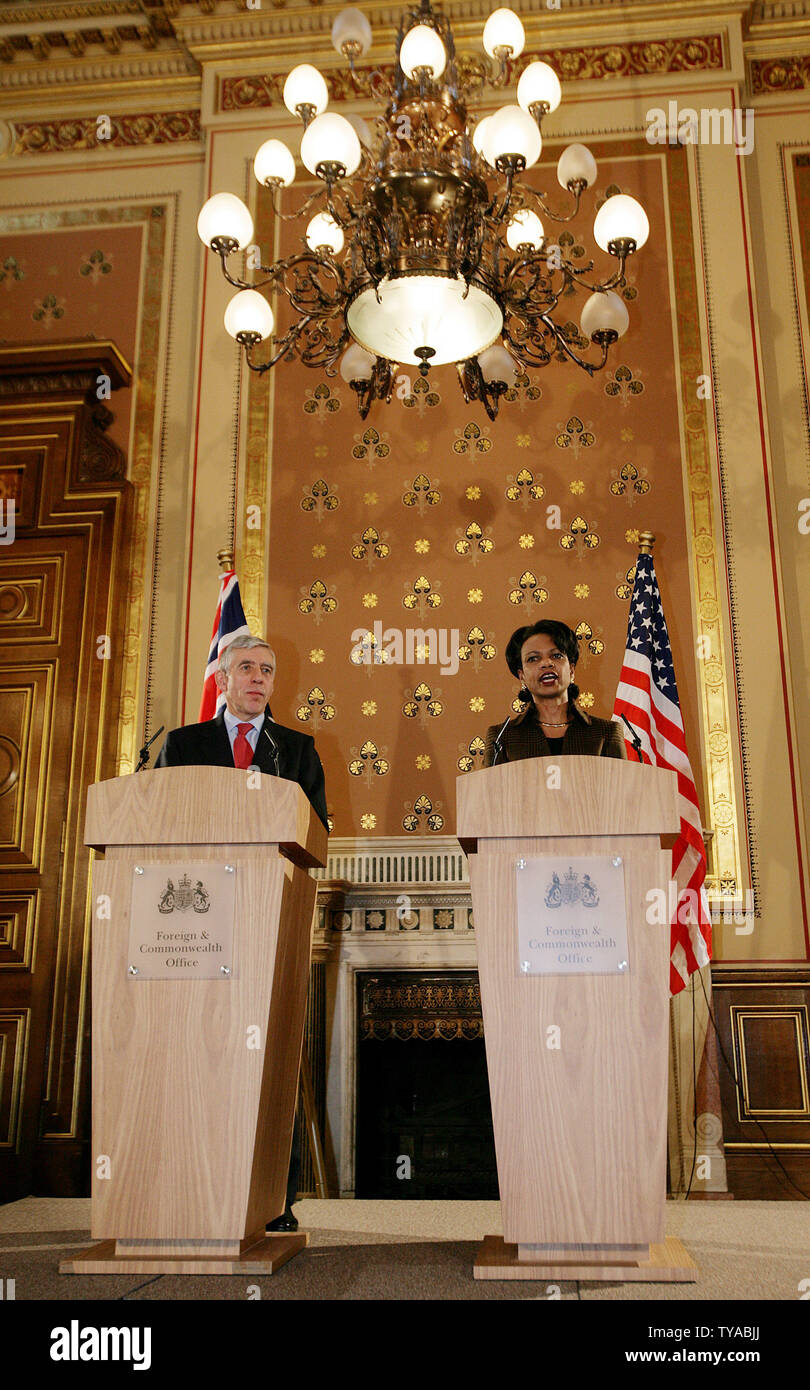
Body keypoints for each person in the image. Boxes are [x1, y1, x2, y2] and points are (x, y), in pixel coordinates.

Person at [156, 633, 327, 1233]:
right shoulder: (183, 744)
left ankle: (272, 1200)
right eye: (247, 668)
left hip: (268, 920)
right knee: (196, 1050)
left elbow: (318, 831)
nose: (258, 678)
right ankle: (182, 1187)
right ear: (223, 678)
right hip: (192, 931)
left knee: (269, 1053)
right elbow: (157, 819)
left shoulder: (297, 750)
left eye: (268, 671)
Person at [483, 619, 627, 765]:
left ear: (571, 670)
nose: (546, 663)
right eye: (533, 658)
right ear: (522, 676)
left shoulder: (606, 732)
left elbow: (621, 786)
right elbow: (489, 787)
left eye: (556, 656)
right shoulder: (502, 737)